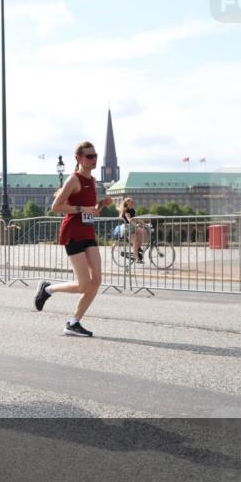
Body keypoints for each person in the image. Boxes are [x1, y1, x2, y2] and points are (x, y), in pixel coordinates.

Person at [34, 141, 113, 336]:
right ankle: (48, 289)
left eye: (95, 156)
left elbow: (91, 212)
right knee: (84, 285)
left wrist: (101, 205)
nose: (94, 159)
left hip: (88, 232)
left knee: (96, 281)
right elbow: (56, 207)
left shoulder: (92, 181)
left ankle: (73, 322)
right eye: (89, 156)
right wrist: (83, 208)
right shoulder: (73, 179)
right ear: (79, 158)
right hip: (72, 232)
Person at [118, 198, 148, 263]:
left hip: (133, 227)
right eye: (131, 202)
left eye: (133, 202)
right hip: (127, 228)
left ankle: (138, 247)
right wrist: (136, 225)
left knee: (143, 232)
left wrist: (144, 224)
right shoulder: (126, 210)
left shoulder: (133, 210)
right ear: (127, 203)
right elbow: (129, 219)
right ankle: (137, 259)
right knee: (135, 242)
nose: (133, 203)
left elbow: (137, 218)